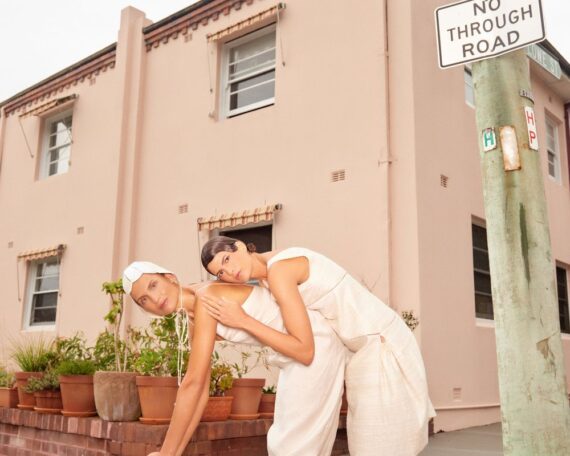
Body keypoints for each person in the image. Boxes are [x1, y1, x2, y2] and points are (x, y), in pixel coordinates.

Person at [202, 237, 436, 456]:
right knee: (371, 443)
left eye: (226, 259)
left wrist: (243, 320)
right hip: (364, 348)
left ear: (241, 246)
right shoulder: (270, 275)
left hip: (381, 342)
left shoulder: (279, 272)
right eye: (221, 273)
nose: (230, 272)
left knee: (378, 444)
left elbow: (304, 350)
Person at [122, 261, 348, 456]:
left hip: (314, 344)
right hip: (292, 356)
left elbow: (192, 383)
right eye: (143, 300)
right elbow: (199, 391)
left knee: (292, 447)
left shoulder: (207, 298)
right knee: (290, 445)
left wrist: (166, 453)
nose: (154, 298)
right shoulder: (195, 319)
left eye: (153, 285)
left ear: (169, 278)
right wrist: (173, 452)